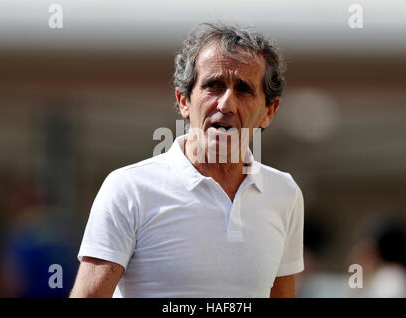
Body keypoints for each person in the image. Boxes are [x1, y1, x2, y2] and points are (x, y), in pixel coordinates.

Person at [70, 22, 304, 298]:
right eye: (213, 86)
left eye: (243, 89)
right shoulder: (128, 188)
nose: (226, 104)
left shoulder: (284, 193)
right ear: (183, 101)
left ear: (269, 111)